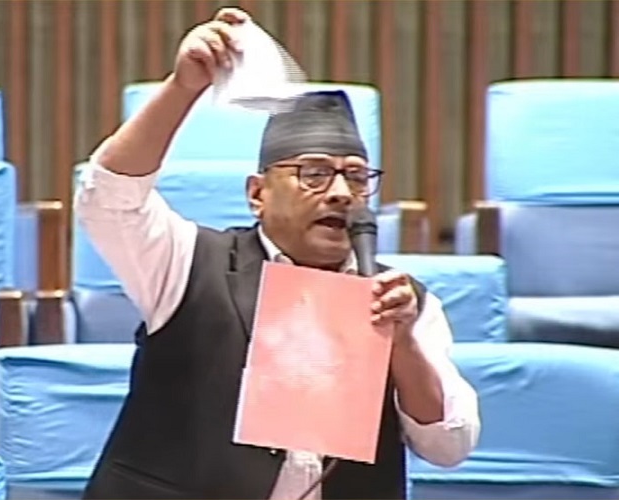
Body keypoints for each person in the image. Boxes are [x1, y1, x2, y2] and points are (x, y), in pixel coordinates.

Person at [74, 8, 480, 500]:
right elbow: (108, 198)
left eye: (356, 177)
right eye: (313, 174)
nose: (341, 193)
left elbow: (448, 444)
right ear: (257, 194)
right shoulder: (189, 263)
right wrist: (182, 89)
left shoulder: (400, 301)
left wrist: (402, 346)